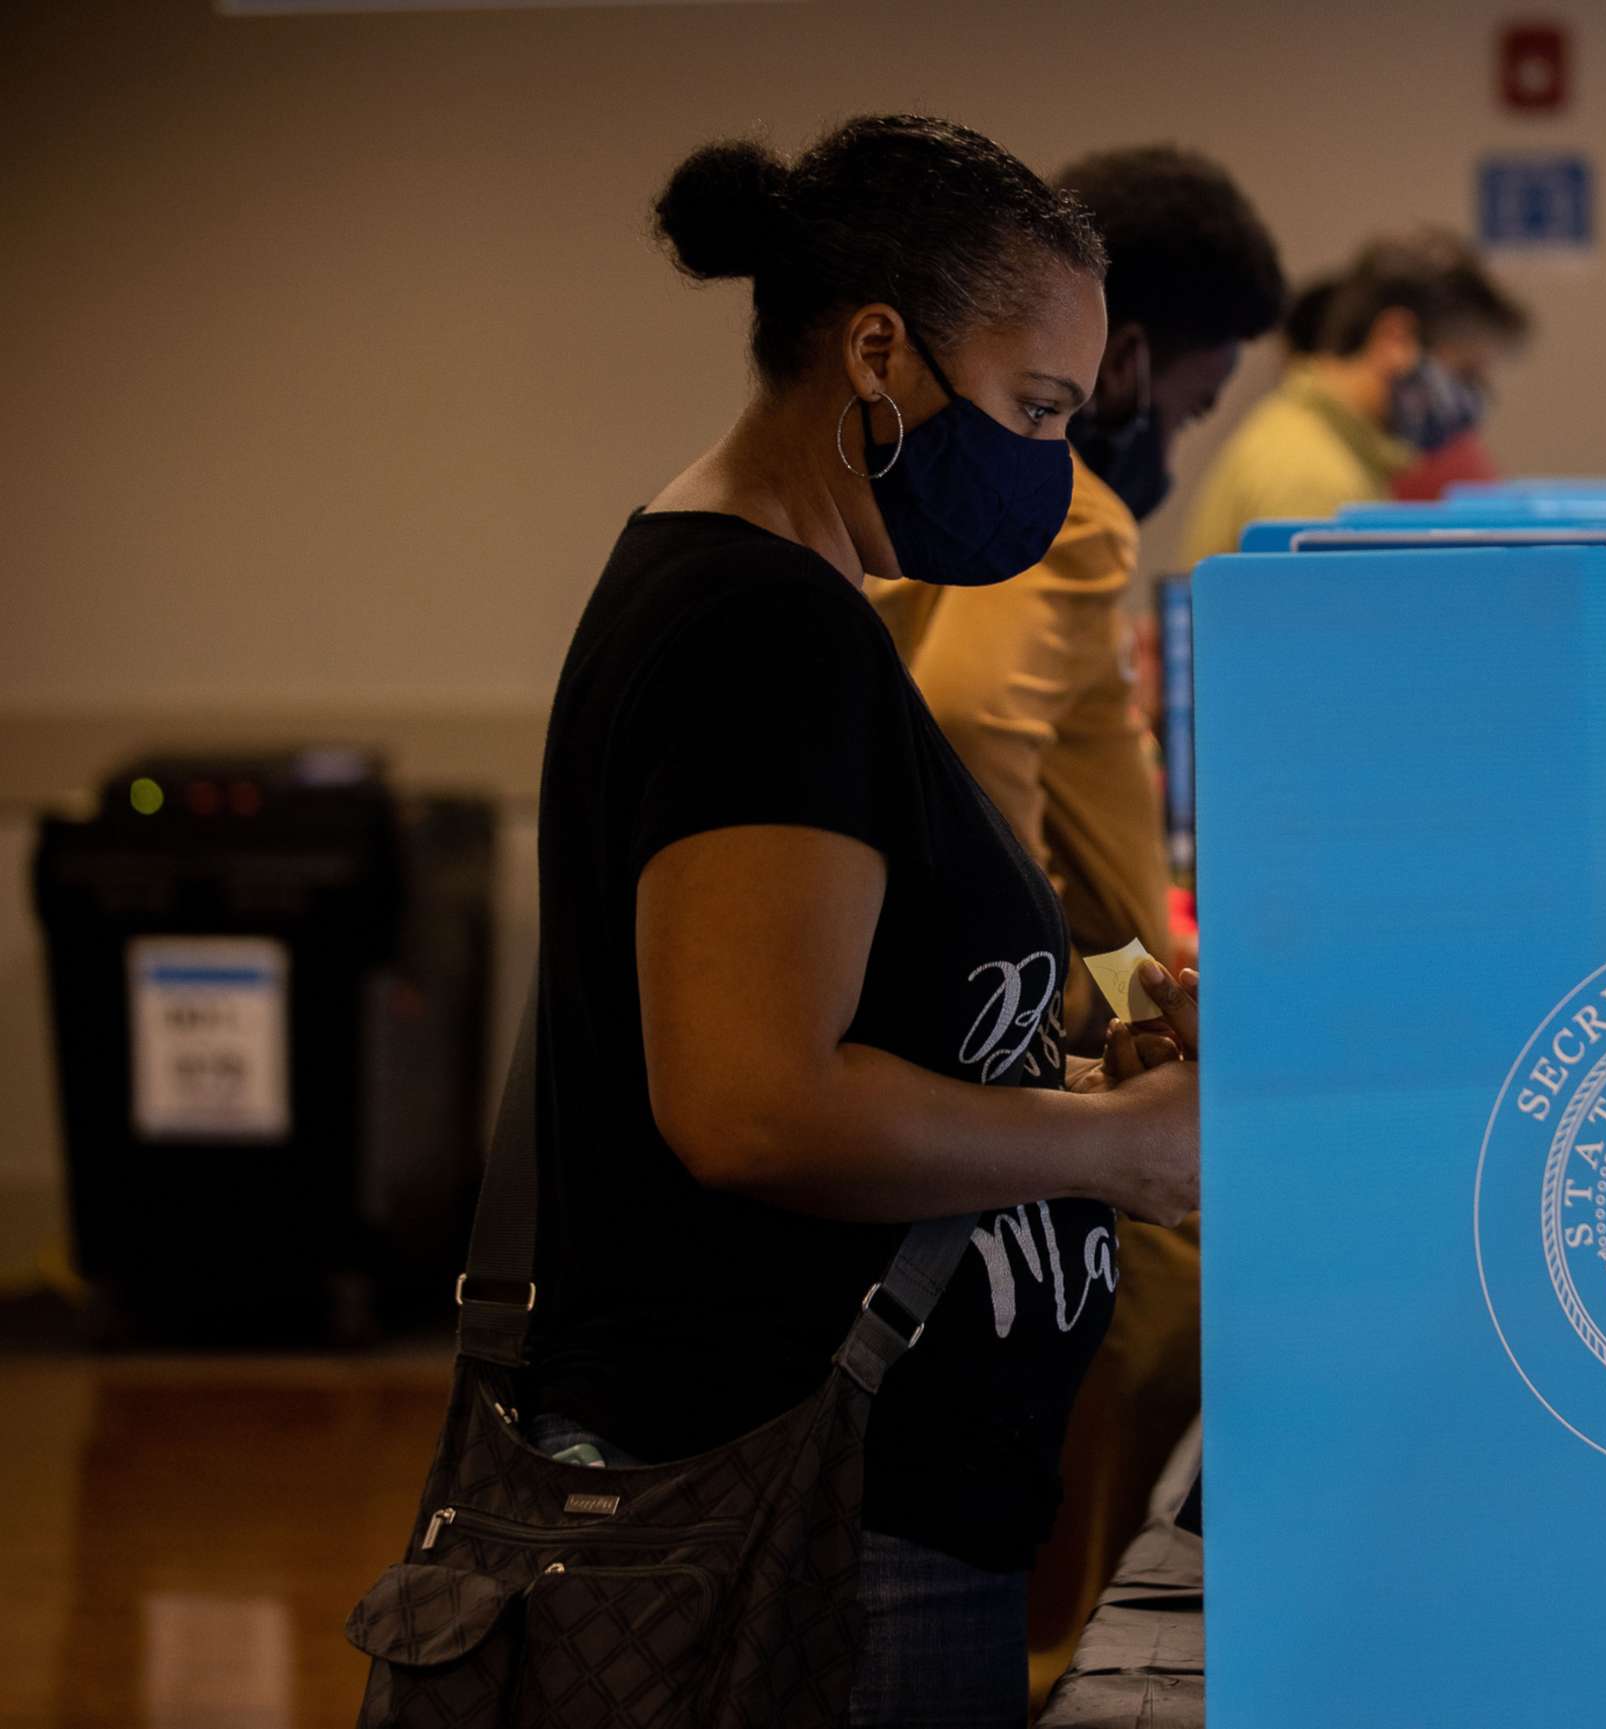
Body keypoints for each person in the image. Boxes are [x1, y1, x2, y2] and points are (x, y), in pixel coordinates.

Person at [525, 115, 1198, 1726]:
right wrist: (1114, 1150)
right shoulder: (762, 634)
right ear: (879, 352)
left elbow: (898, 982)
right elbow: (756, 1103)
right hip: (821, 1529)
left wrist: (1094, 1025)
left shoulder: (795, 607)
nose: (1052, 460)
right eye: (1036, 408)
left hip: (873, 1508)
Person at [862, 143, 1284, 1709]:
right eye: (1188, 402)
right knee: (1156, 1290)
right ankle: (1071, 1663)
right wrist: (1068, 998)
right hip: (1028, 1048)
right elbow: (974, 732)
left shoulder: (955, 505)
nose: (1176, 440)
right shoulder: (1074, 511)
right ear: (1122, 360)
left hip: (1031, 1008)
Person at [1179, 228, 1529, 563]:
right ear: (1396, 337)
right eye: (1465, 372)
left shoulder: (1321, 438)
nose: (1472, 400)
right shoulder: (1314, 477)